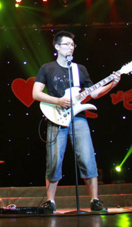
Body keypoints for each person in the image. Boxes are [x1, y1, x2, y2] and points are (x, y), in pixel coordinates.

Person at [32, 31, 120, 213]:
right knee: (54, 160)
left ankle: (95, 200)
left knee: (87, 157)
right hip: (56, 117)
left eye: (72, 45)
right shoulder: (47, 68)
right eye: (66, 44)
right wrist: (58, 101)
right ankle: (50, 201)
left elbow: (94, 93)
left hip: (78, 118)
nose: (70, 47)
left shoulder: (79, 69)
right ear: (57, 47)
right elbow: (36, 93)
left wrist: (113, 83)